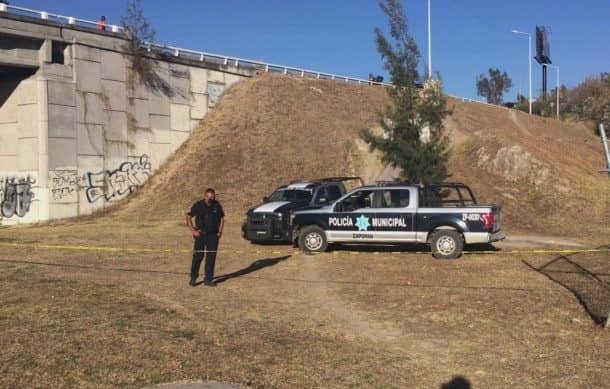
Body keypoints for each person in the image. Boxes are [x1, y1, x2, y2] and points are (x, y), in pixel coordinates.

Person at [186, 188, 225, 287]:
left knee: (211, 258)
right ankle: (193, 277)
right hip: (200, 235)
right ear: (205, 196)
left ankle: (208, 279)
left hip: (213, 236)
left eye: (213, 197)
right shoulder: (198, 205)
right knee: (198, 256)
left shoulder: (217, 205)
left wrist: (220, 232)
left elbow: (222, 218)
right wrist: (193, 231)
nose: (211, 199)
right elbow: (188, 217)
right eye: (209, 197)